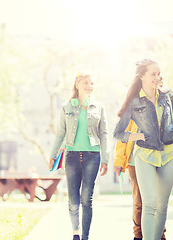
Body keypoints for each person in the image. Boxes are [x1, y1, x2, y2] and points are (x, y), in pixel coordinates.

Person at [113, 59, 173, 240]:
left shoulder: (167, 95)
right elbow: (118, 132)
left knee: (162, 205)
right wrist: (139, 136)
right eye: (153, 74)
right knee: (150, 203)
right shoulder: (134, 101)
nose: (157, 78)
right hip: (144, 155)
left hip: (168, 153)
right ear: (142, 76)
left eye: (158, 74)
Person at [49, 73, 109, 240]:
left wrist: (105, 158)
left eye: (92, 83)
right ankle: (75, 232)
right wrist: (52, 155)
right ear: (77, 83)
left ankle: (85, 237)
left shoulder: (99, 107)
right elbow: (60, 133)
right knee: (73, 199)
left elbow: (104, 133)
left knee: (86, 198)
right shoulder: (67, 106)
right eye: (86, 83)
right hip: (72, 157)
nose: (90, 86)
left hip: (93, 156)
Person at [113, 77, 167, 240]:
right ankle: (138, 235)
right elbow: (123, 136)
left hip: (159, 158)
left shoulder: (164, 104)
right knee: (140, 201)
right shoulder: (134, 105)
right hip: (136, 161)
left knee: (158, 201)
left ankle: (160, 234)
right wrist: (118, 162)